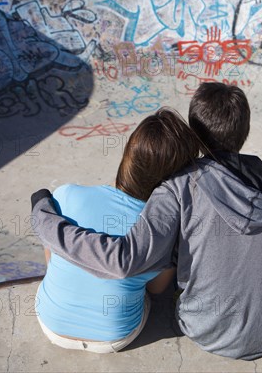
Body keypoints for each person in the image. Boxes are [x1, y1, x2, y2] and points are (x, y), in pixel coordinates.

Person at [31, 83, 262, 360]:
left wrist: (43, 217)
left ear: (195, 136)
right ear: (245, 131)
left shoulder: (177, 187)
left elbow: (123, 261)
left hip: (206, 330)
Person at [35, 108, 200, 353]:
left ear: (128, 157)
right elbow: (155, 289)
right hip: (114, 337)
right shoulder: (163, 229)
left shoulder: (66, 194)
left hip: (49, 322)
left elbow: (50, 255)